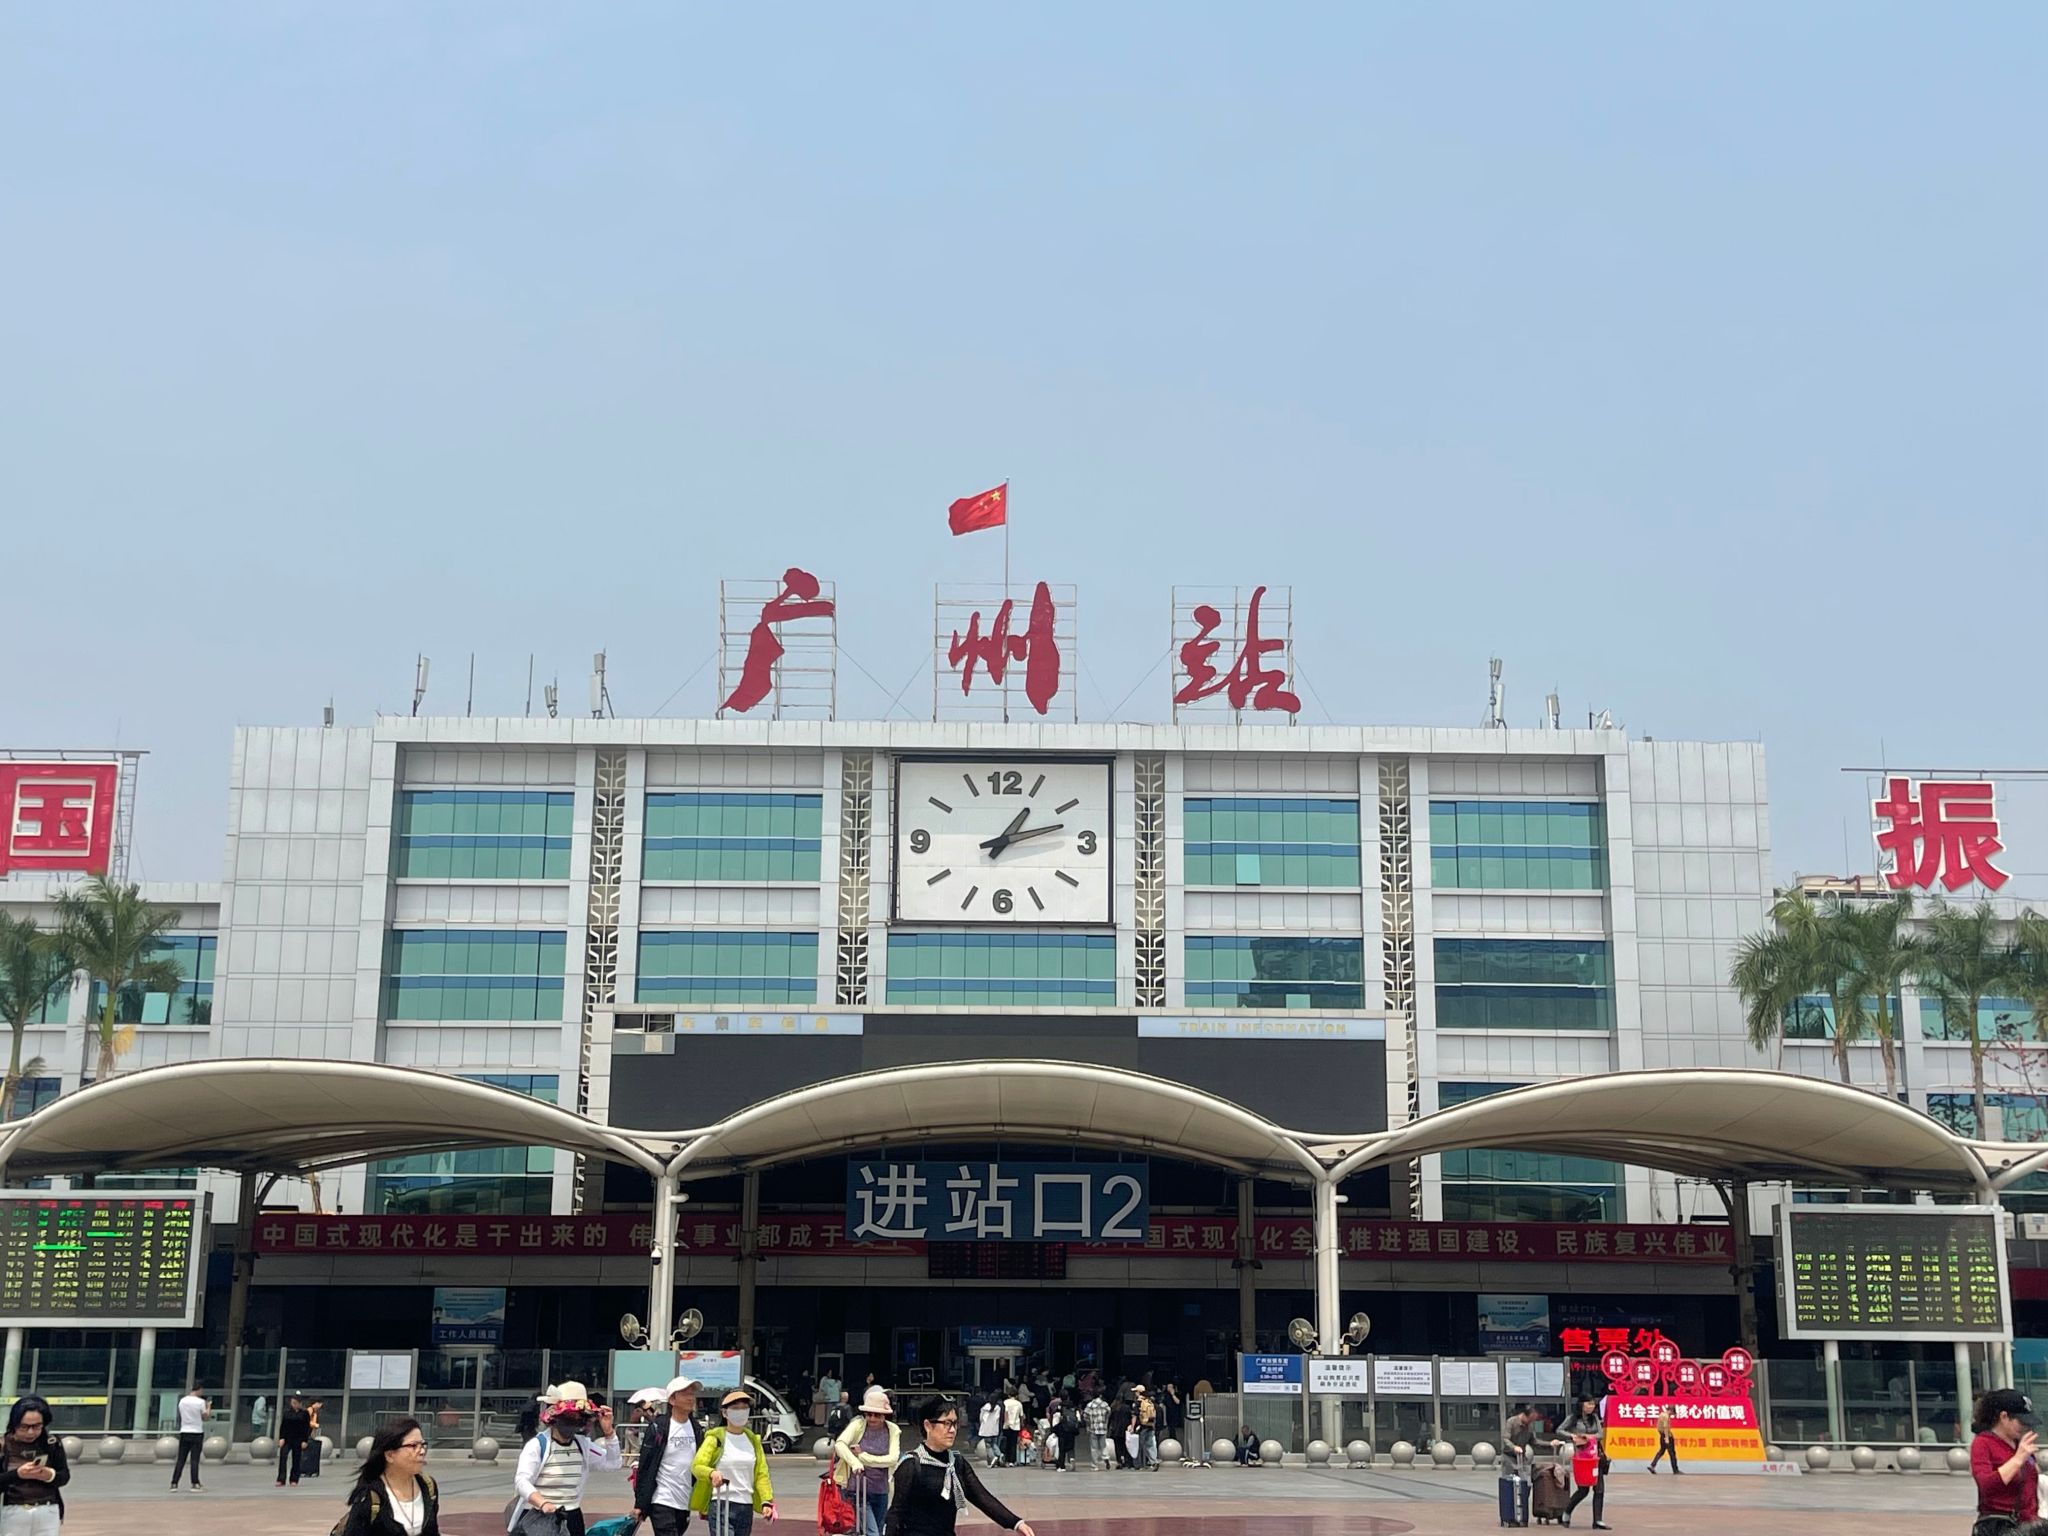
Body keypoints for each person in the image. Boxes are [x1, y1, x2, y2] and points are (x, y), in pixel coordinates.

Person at [884, 1397, 1034, 1536]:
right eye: (946, 1423)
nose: (952, 1430)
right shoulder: (911, 1464)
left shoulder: (956, 1463)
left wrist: (1016, 1523)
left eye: (955, 1424)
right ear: (928, 1425)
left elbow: (982, 1497)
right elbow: (895, 1513)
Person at [512, 1379, 622, 1536]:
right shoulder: (538, 1445)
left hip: (572, 1515)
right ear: (555, 1417)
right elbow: (522, 1480)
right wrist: (542, 1502)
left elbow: (612, 1463)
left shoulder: (583, 1445)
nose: (575, 1424)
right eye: (569, 1418)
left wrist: (609, 1433)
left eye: (581, 1418)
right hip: (538, 1515)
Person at [690, 1389, 775, 1536]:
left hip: (746, 1506)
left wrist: (766, 1501)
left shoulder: (753, 1441)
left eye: (744, 1408)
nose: (741, 1412)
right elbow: (697, 1466)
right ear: (725, 1413)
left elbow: (762, 1474)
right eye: (735, 1408)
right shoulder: (715, 1439)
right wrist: (711, 1473)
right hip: (721, 1503)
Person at [336, 1418, 438, 1536]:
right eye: (413, 1446)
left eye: (423, 1445)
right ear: (390, 1455)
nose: (421, 1451)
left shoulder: (428, 1487)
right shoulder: (370, 1495)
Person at [632, 1375, 702, 1536]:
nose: (690, 1398)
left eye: (692, 1394)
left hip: (684, 1500)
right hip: (662, 1499)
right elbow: (645, 1466)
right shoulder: (659, 1427)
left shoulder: (696, 1428)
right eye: (685, 1394)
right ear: (672, 1400)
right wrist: (640, 1503)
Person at [1972, 1387, 2040, 1535]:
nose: (2025, 1427)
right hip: (2000, 1525)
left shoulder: (2020, 1443)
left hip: (2028, 1524)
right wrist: (2017, 1459)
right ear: (2004, 1417)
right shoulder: (1983, 1443)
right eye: (2021, 1422)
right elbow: (1986, 1485)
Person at [834, 1386, 901, 1536]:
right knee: (872, 1533)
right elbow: (840, 1444)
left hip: (881, 1489)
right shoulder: (858, 1425)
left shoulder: (893, 1430)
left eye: (877, 1415)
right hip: (858, 1489)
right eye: (868, 1414)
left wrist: (862, 1457)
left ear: (884, 1415)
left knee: (878, 1529)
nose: (872, 1418)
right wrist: (855, 1463)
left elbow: (892, 1459)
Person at [0, 1396, 69, 1535]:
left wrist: (50, 1475)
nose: (31, 1432)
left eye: (37, 1426)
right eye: (24, 1427)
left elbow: (64, 1476)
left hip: (47, 1509)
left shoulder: (51, 1443)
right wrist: (17, 1474)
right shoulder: (3, 1445)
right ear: (14, 1423)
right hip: (12, 1510)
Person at [1557, 1395, 1609, 1530]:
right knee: (1583, 1490)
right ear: (1581, 1404)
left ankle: (1597, 1520)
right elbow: (1559, 1430)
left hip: (1595, 1457)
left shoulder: (1595, 1418)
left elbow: (1600, 1434)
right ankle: (1566, 1513)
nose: (1591, 1407)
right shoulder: (1573, 1418)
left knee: (1599, 1489)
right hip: (1581, 1458)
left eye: (1592, 1404)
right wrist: (1573, 1436)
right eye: (1588, 1404)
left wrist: (1588, 1437)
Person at [172, 1387, 207, 1491]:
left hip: (184, 1431)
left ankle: (174, 1483)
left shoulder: (182, 1401)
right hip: (197, 1432)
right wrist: (209, 1407)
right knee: (194, 1459)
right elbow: (205, 1417)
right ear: (198, 1390)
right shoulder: (200, 1402)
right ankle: (194, 1483)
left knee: (181, 1459)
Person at [277, 1395, 313, 1487]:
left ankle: (294, 1479)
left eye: (295, 1403)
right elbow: (283, 1426)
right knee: (283, 1457)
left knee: (296, 1459)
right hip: (287, 1439)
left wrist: (305, 1440)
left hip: (298, 1439)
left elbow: (307, 1428)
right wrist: (281, 1438)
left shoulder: (304, 1413)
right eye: (292, 1403)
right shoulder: (287, 1413)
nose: (293, 1405)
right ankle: (281, 1479)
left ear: (300, 1403)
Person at [1503, 1404, 1541, 1476]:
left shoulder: (1529, 1426)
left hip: (1521, 1457)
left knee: (1525, 1478)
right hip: (1509, 1456)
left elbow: (1534, 1441)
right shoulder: (1511, 1421)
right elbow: (1505, 1438)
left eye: (1532, 1420)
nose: (1530, 1422)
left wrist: (1550, 1444)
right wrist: (1514, 1447)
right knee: (1511, 1478)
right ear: (1523, 1415)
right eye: (1530, 1419)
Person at [1647, 1405, 1681, 1474]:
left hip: (1662, 1436)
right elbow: (1666, 1427)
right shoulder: (1666, 1416)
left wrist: (1662, 1435)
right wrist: (1667, 1438)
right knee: (1672, 1454)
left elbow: (1658, 1427)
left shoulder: (1661, 1415)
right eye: (1672, 1413)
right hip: (1667, 1436)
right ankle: (1675, 1470)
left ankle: (1652, 1465)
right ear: (1671, 1411)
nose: (1672, 1415)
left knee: (1661, 1451)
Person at [1081, 1389, 1109, 1471]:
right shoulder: (1105, 1404)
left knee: (1094, 1448)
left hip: (1093, 1428)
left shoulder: (1090, 1405)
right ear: (1100, 1395)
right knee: (1103, 1445)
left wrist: (1088, 1424)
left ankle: (1095, 1465)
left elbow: (1085, 1416)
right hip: (1103, 1428)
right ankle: (1106, 1457)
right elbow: (1108, 1412)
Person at [1134, 1387, 1158, 1471]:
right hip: (1150, 1425)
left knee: (1140, 1445)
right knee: (1150, 1445)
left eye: (1136, 1391)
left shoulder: (1139, 1402)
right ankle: (1153, 1461)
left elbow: (1135, 1415)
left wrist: (1133, 1427)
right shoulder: (1149, 1401)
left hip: (1142, 1426)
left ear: (1139, 1392)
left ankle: (1139, 1464)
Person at [976, 1397, 1003, 1468]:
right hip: (994, 1429)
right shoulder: (998, 1408)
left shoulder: (984, 1407)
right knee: (993, 1444)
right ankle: (1000, 1454)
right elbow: (998, 1418)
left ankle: (993, 1457)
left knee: (988, 1445)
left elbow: (981, 1418)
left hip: (986, 1429)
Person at [1000, 1393, 1024, 1468]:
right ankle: (1012, 1461)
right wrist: (1022, 1424)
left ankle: (1006, 1460)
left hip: (1006, 1425)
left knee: (1006, 1443)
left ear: (1009, 1395)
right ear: (1016, 1396)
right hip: (1015, 1425)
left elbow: (1004, 1413)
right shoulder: (1019, 1403)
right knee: (1013, 1443)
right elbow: (1021, 1415)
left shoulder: (1005, 1402)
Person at [305, 1399, 327, 1478]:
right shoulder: (310, 1410)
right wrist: (315, 1425)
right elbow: (306, 1421)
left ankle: (311, 1470)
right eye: (320, 1404)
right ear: (316, 1403)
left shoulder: (314, 1412)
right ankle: (307, 1470)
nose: (320, 1406)